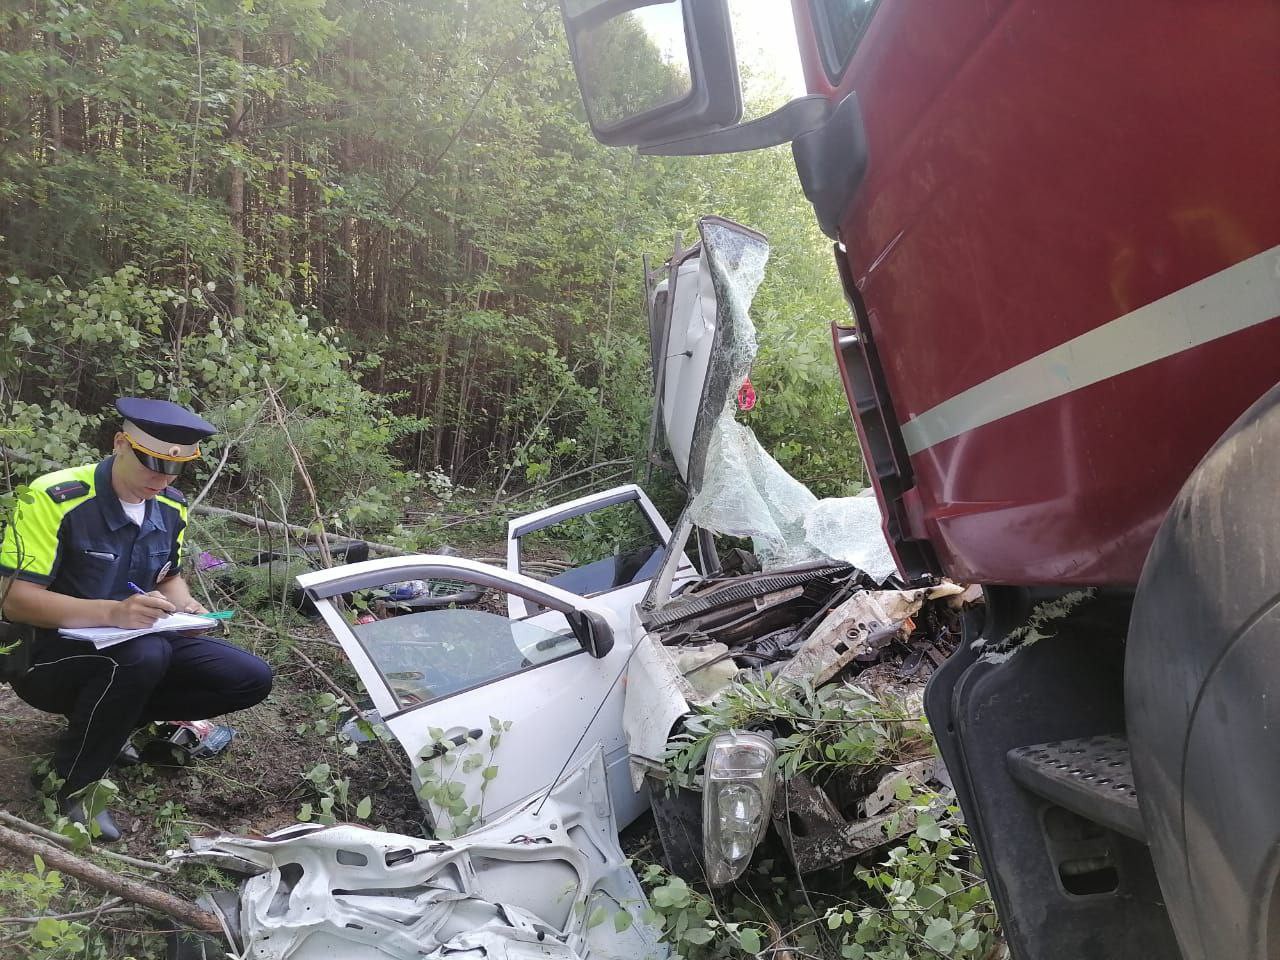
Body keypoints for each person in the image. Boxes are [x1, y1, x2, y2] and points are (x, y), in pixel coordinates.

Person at [0, 397, 273, 841]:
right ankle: (74, 785)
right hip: (46, 656)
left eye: (174, 471)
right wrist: (113, 613)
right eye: (151, 464)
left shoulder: (171, 505)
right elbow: (15, 600)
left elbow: (169, 576)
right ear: (120, 444)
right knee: (144, 655)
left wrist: (186, 608)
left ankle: (110, 725)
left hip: (139, 640)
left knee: (249, 678)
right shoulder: (55, 497)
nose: (161, 479)